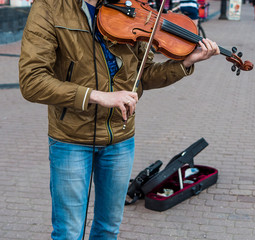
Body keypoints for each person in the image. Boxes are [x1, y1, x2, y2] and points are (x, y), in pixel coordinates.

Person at [18, 0, 220, 239]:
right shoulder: (50, 6)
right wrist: (96, 96)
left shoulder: (130, 7)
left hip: (120, 139)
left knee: (108, 229)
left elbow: (143, 76)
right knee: (69, 232)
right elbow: (32, 80)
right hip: (71, 138)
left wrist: (186, 62)